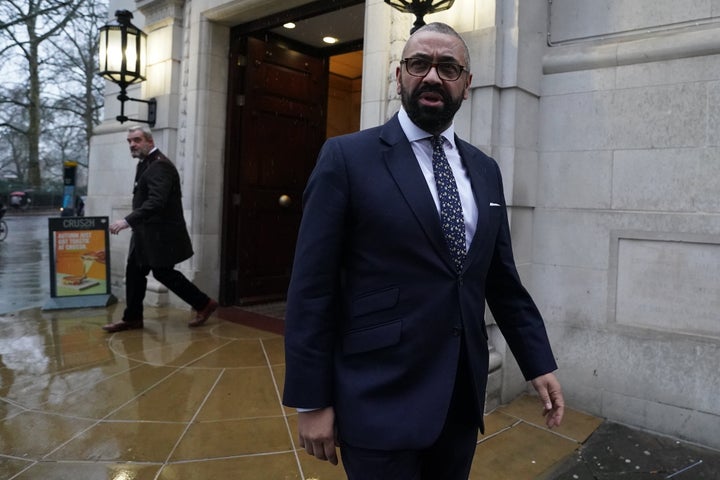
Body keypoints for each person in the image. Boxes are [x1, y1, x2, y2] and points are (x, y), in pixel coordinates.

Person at [282, 22, 564, 479]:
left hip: (458, 397)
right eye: (419, 64)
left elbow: (500, 279)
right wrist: (312, 400)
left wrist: (538, 361)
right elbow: (312, 289)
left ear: (466, 85)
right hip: (377, 397)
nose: (433, 77)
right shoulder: (346, 158)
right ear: (400, 76)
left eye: (448, 67)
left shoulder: (486, 170)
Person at [102, 125, 218, 333]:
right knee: (135, 272)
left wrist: (127, 221)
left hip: (159, 235)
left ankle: (204, 304)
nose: (132, 145)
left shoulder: (159, 165)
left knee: (164, 273)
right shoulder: (145, 163)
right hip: (146, 233)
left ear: (150, 141)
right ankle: (133, 318)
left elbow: (157, 202)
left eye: (136, 140)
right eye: (129, 141)